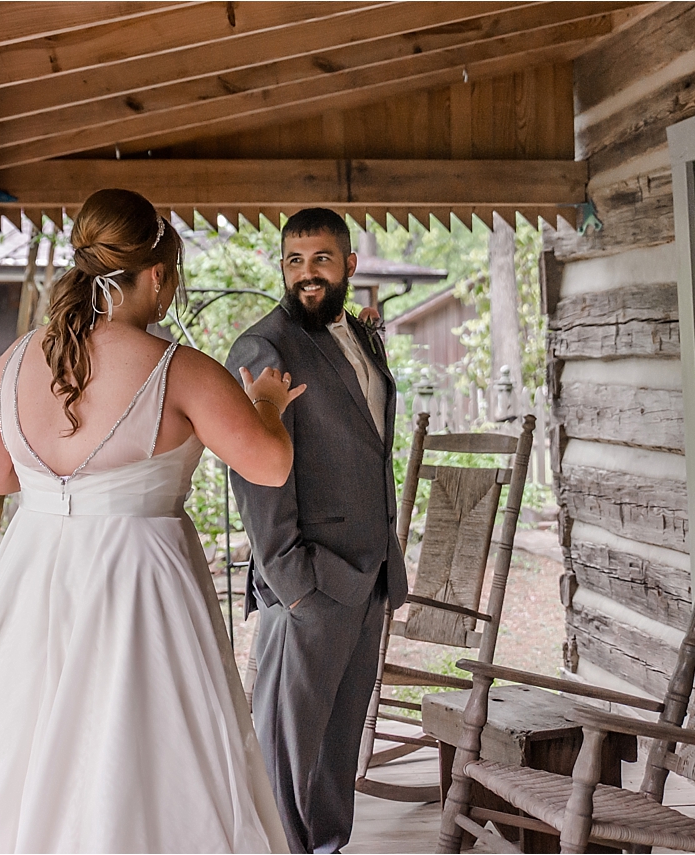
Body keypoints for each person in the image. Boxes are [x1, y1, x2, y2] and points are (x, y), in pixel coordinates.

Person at [0, 188, 303, 853]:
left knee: (19, 740)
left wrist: (56, 480)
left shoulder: (14, 362)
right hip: (139, 583)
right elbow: (268, 465)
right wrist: (264, 402)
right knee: (140, 745)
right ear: (156, 274)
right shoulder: (182, 370)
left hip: (35, 574)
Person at [226, 208, 409, 854]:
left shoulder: (361, 335)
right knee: (285, 755)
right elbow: (254, 474)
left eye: (322, 260)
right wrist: (293, 581)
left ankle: (329, 847)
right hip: (308, 583)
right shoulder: (265, 347)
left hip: (370, 575)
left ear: (349, 265)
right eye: (295, 261)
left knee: (337, 749)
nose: (307, 274)